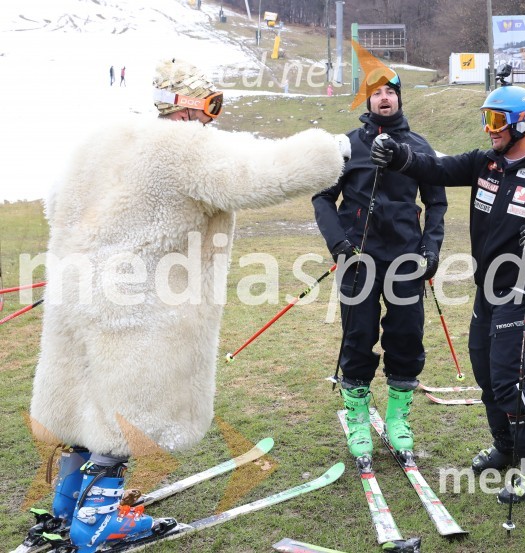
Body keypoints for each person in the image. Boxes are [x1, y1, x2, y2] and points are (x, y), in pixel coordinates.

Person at [27, 58, 350, 552]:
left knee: (82, 407)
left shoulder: (102, 142)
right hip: (137, 306)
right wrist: (330, 151)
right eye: (211, 106)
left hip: (76, 299)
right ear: (190, 106)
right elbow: (257, 176)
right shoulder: (184, 148)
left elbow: (54, 204)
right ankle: (97, 521)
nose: (212, 120)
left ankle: (64, 511)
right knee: (128, 416)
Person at [370, 73, 525, 503]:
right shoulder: (483, 163)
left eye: (496, 121)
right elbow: (433, 166)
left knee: (510, 384)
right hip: (485, 291)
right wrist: (399, 155)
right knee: (488, 379)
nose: (489, 130)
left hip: (522, 295)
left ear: (523, 125)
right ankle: (507, 449)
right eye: (486, 119)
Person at [312, 69, 447, 462]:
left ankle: (397, 418)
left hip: (406, 260)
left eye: (391, 91)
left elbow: (436, 202)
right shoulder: (347, 146)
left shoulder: (420, 147)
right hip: (359, 260)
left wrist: (432, 248)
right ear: (367, 101)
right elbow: (322, 198)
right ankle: (356, 418)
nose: (384, 98)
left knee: (407, 338)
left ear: (400, 98)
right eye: (376, 93)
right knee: (358, 338)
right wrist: (339, 245)